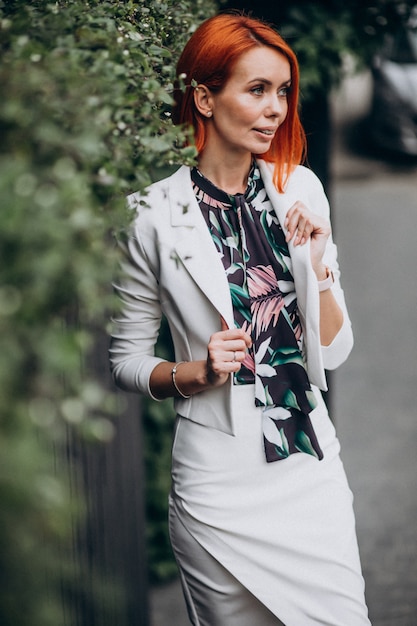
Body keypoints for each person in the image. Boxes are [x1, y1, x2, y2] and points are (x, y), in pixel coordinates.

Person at [109, 12, 371, 626]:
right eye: (257, 90)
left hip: (308, 466)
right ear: (204, 98)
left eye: (282, 91)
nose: (276, 108)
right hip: (217, 485)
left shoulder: (300, 188)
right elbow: (124, 361)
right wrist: (194, 374)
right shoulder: (149, 216)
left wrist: (316, 265)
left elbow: (333, 352)